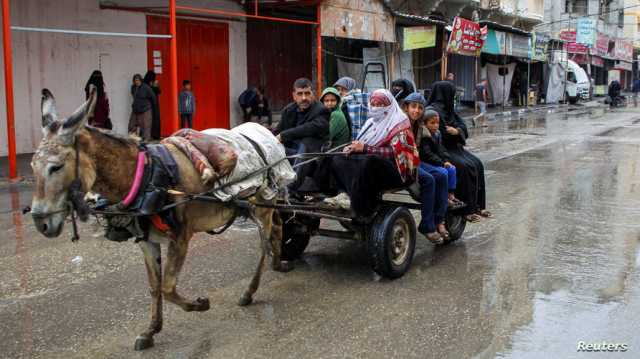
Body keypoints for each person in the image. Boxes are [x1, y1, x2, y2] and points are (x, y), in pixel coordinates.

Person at [324, 89, 420, 217]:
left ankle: (361, 206)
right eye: (373, 104)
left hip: (398, 172)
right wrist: (351, 148)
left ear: (389, 106)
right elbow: (361, 143)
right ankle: (344, 193)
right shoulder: (370, 122)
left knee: (370, 160)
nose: (375, 108)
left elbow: (396, 153)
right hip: (372, 166)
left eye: (380, 105)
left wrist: (366, 148)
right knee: (338, 158)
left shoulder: (399, 123)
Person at [427, 81, 491, 222]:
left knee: (478, 164)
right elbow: (442, 133)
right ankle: (467, 210)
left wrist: (457, 130)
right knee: (464, 167)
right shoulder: (434, 110)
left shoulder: (449, 109)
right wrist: (456, 131)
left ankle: (478, 206)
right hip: (441, 149)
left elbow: (462, 127)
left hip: (455, 148)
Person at [402, 92, 450, 242]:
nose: (416, 110)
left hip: (414, 160)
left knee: (442, 175)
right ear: (406, 107)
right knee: (429, 180)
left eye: (420, 108)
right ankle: (427, 226)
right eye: (413, 107)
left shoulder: (419, 125)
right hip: (402, 160)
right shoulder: (401, 122)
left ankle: (439, 220)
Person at [276, 77, 330, 190]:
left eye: (307, 93)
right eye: (300, 94)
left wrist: (284, 136)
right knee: (272, 146)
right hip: (291, 154)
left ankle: (291, 187)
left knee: (307, 143)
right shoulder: (288, 110)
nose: (304, 98)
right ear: (294, 96)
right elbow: (277, 131)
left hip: (313, 159)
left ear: (313, 94)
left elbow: (310, 128)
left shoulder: (321, 110)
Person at [128, 73, 157, 141]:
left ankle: (146, 140)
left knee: (146, 125)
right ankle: (133, 138)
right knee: (131, 124)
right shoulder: (133, 87)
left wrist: (152, 106)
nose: (136, 82)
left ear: (141, 80)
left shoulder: (146, 87)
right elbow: (134, 95)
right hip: (136, 109)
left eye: (138, 80)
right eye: (135, 80)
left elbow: (153, 97)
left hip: (145, 109)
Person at [144, 70, 162, 140]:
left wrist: (155, 86)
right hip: (149, 104)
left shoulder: (154, 83)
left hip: (155, 104)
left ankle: (156, 135)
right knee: (149, 120)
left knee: (156, 119)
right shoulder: (145, 84)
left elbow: (159, 91)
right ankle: (150, 135)